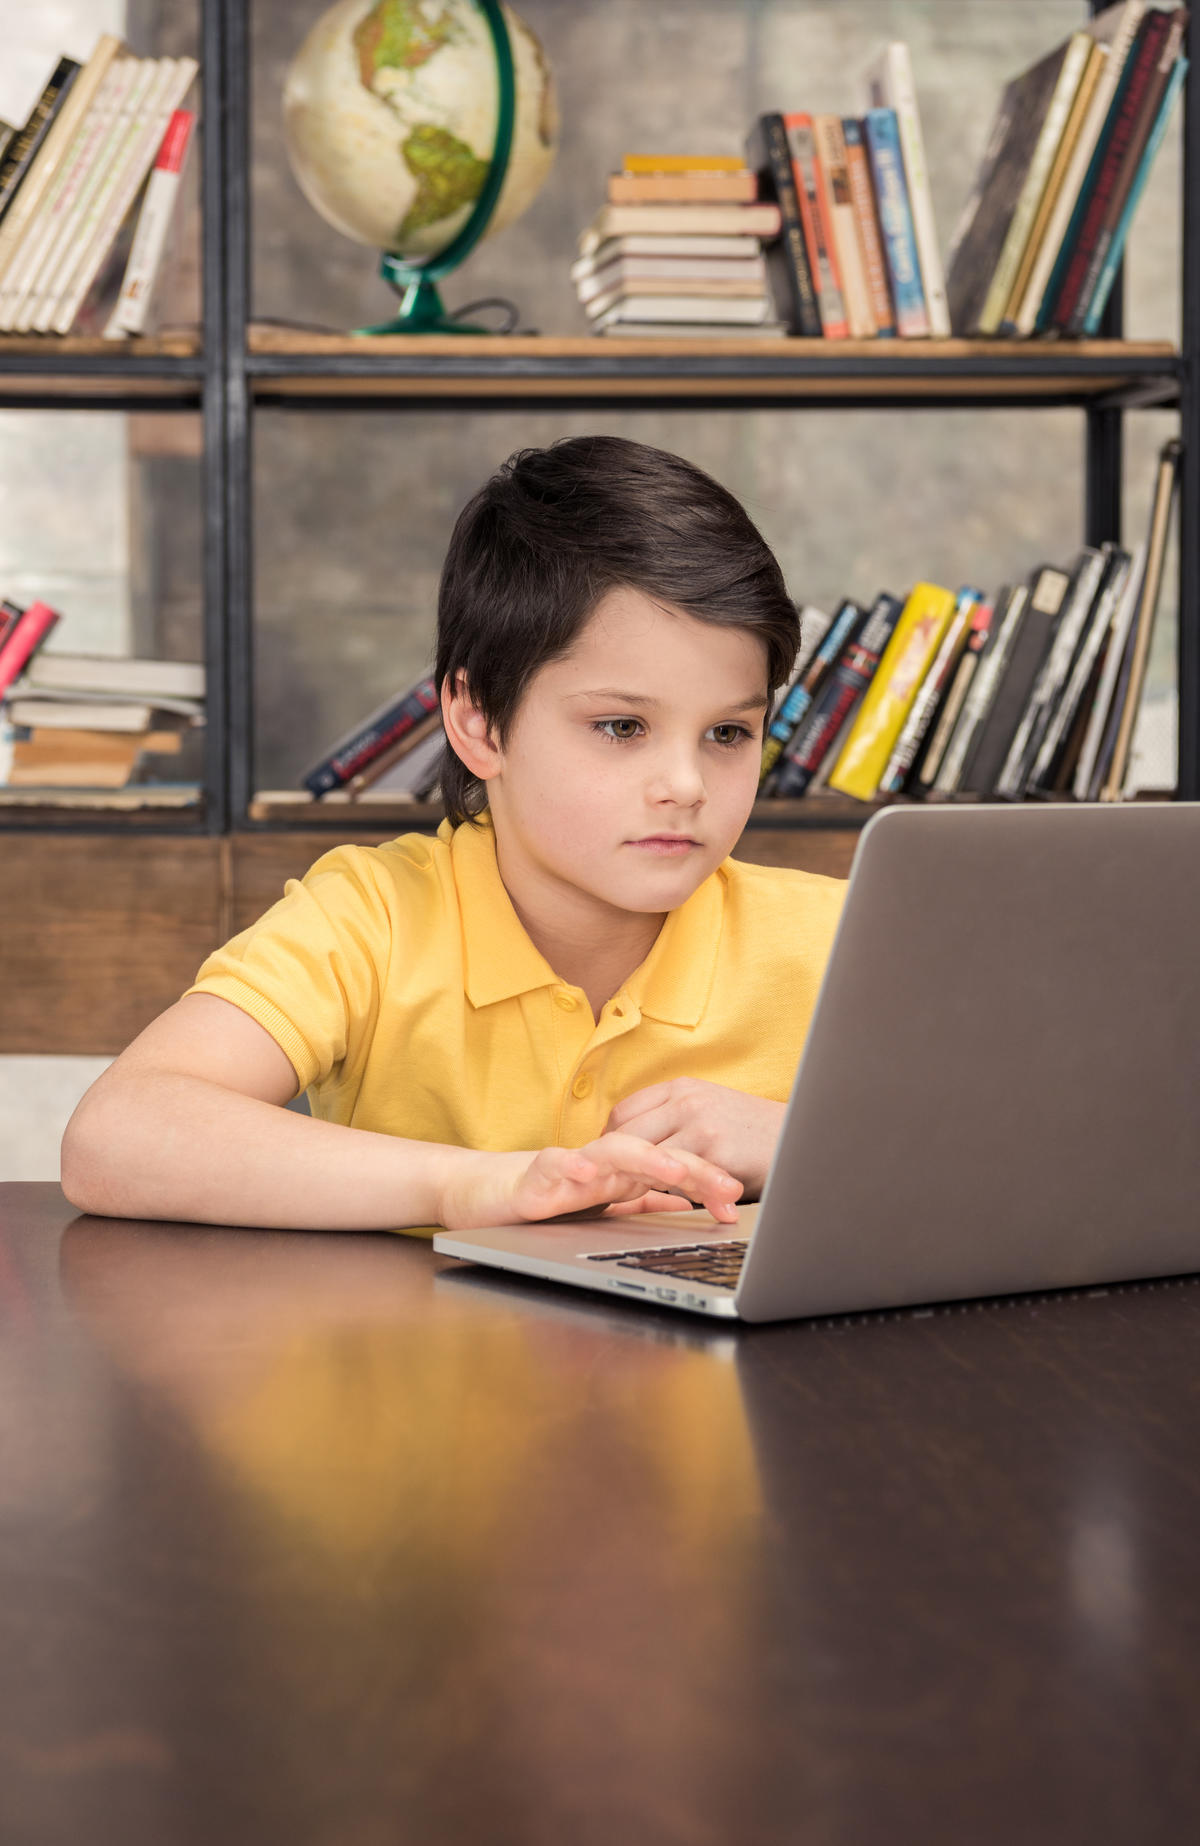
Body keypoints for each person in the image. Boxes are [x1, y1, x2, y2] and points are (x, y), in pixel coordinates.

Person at [61, 435, 845, 1235]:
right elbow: (116, 1134)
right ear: (478, 722)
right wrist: (469, 1187)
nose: (685, 785)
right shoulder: (372, 918)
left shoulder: (848, 937)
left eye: (727, 734)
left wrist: (807, 1144)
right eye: (621, 726)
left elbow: (980, 1160)